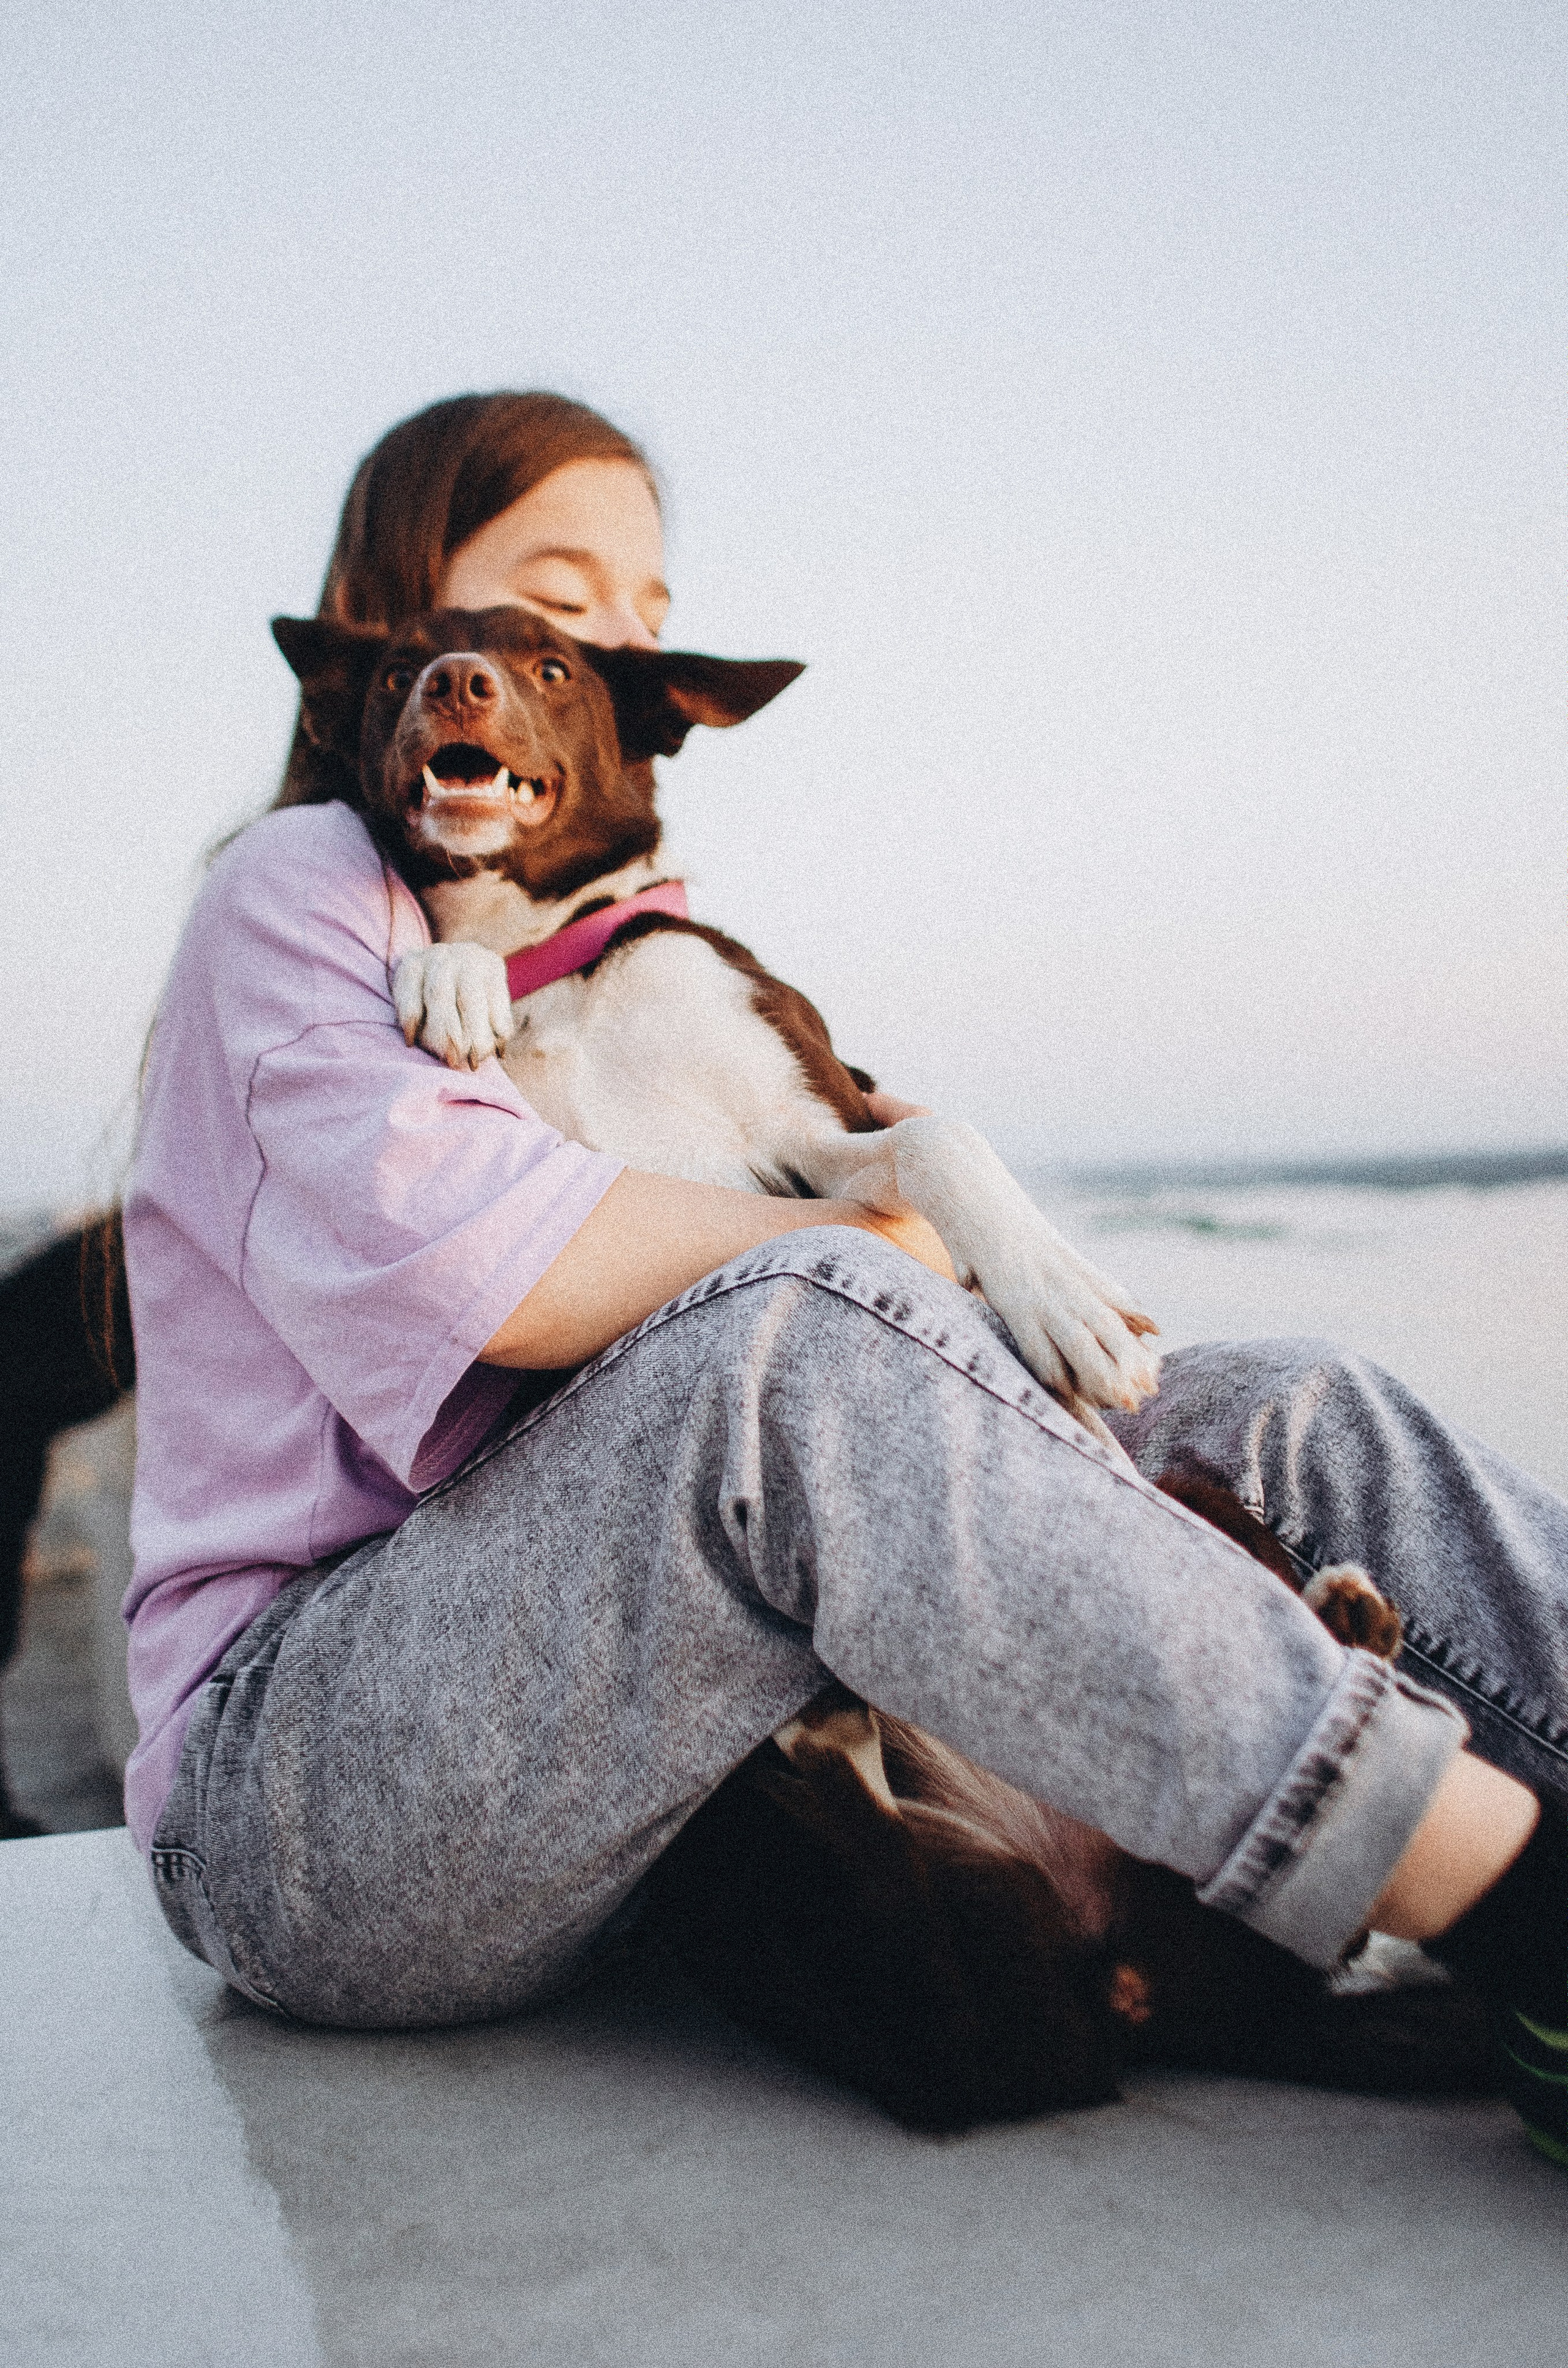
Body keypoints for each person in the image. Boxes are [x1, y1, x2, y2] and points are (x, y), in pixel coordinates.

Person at [51, 393, 1568, 2166]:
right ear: (403, 627)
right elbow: (526, 1287)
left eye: (640, 598)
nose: (614, 634)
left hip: (628, 1737)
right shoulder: (300, 886)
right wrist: (881, 1248)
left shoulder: (643, 946)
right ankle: (1527, 1913)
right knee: (788, 1347)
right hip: (306, 1788)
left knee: (1278, 1415)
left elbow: (904, 1245)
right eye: (558, 586)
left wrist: (948, 1285)